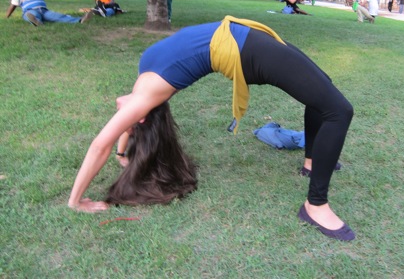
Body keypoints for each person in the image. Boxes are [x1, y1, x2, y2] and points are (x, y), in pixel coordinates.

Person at [67, 16, 355, 241]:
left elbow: (123, 112)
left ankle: (312, 162)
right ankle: (315, 206)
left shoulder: (142, 91)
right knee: (339, 111)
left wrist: (122, 154)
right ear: (141, 118)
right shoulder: (144, 88)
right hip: (244, 50)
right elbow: (100, 143)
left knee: (324, 91)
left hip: (244, 36)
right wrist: (76, 201)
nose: (122, 112)